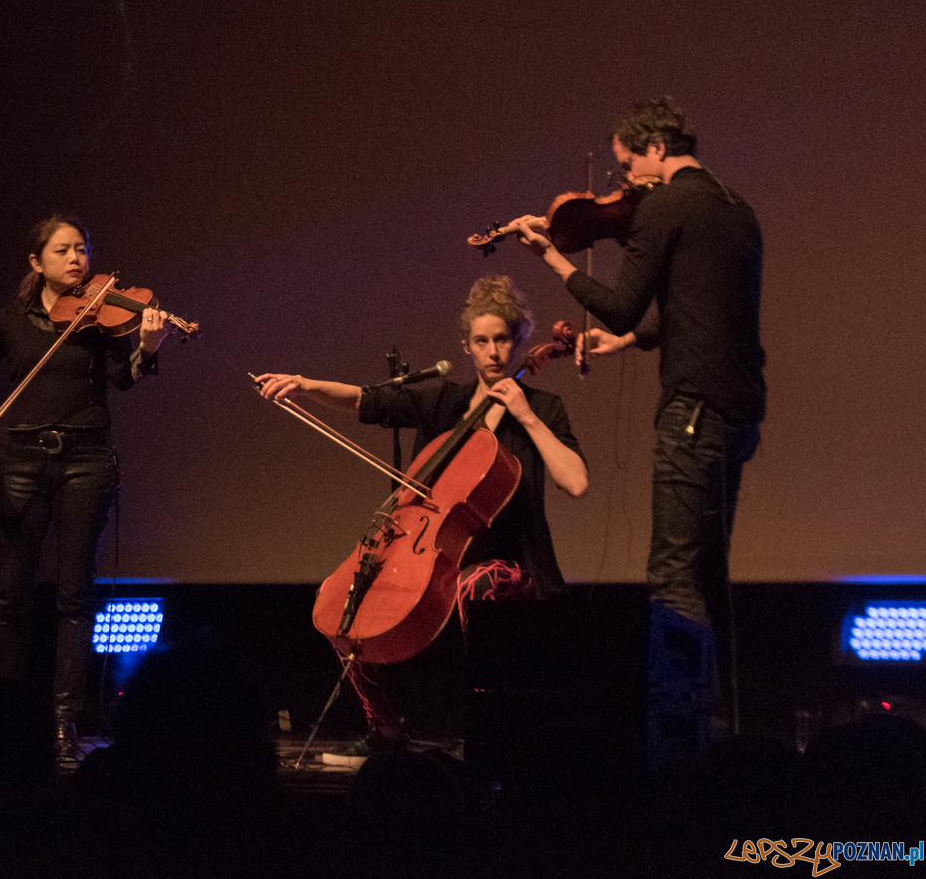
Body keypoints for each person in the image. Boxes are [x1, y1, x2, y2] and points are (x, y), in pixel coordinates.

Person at [506, 97, 765, 755]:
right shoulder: (737, 209)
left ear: (654, 150)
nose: (623, 185)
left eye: (627, 167)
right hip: (738, 412)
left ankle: (676, 749)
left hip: (693, 413)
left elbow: (621, 308)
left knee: (673, 577)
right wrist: (632, 343)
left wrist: (552, 259)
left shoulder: (665, 206)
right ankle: (716, 736)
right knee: (708, 572)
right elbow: (699, 309)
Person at [257, 274, 587, 765]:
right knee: (349, 601)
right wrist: (304, 385)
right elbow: (364, 400)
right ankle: (384, 731)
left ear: (517, 342)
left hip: (510, 564)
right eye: (482, 341)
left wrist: (528, 418)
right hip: (429, 558)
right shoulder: (443, 403)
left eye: (502, 339)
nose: (493, 351)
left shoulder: (542, 407)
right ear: (467, 347)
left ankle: (485, 728)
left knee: (475, 583)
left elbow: (576, 481)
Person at [0, 214, 170, 762]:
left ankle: (65, 722)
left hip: (86, 459)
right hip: (22, 459)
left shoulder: (98, 317)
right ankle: (5, 719)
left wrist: (149, 346)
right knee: (10, 594)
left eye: (83, 251)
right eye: (64, 250)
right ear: (36, 261)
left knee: (75, 594)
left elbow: (123, 378)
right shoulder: (9, 321)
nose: (76, 260)